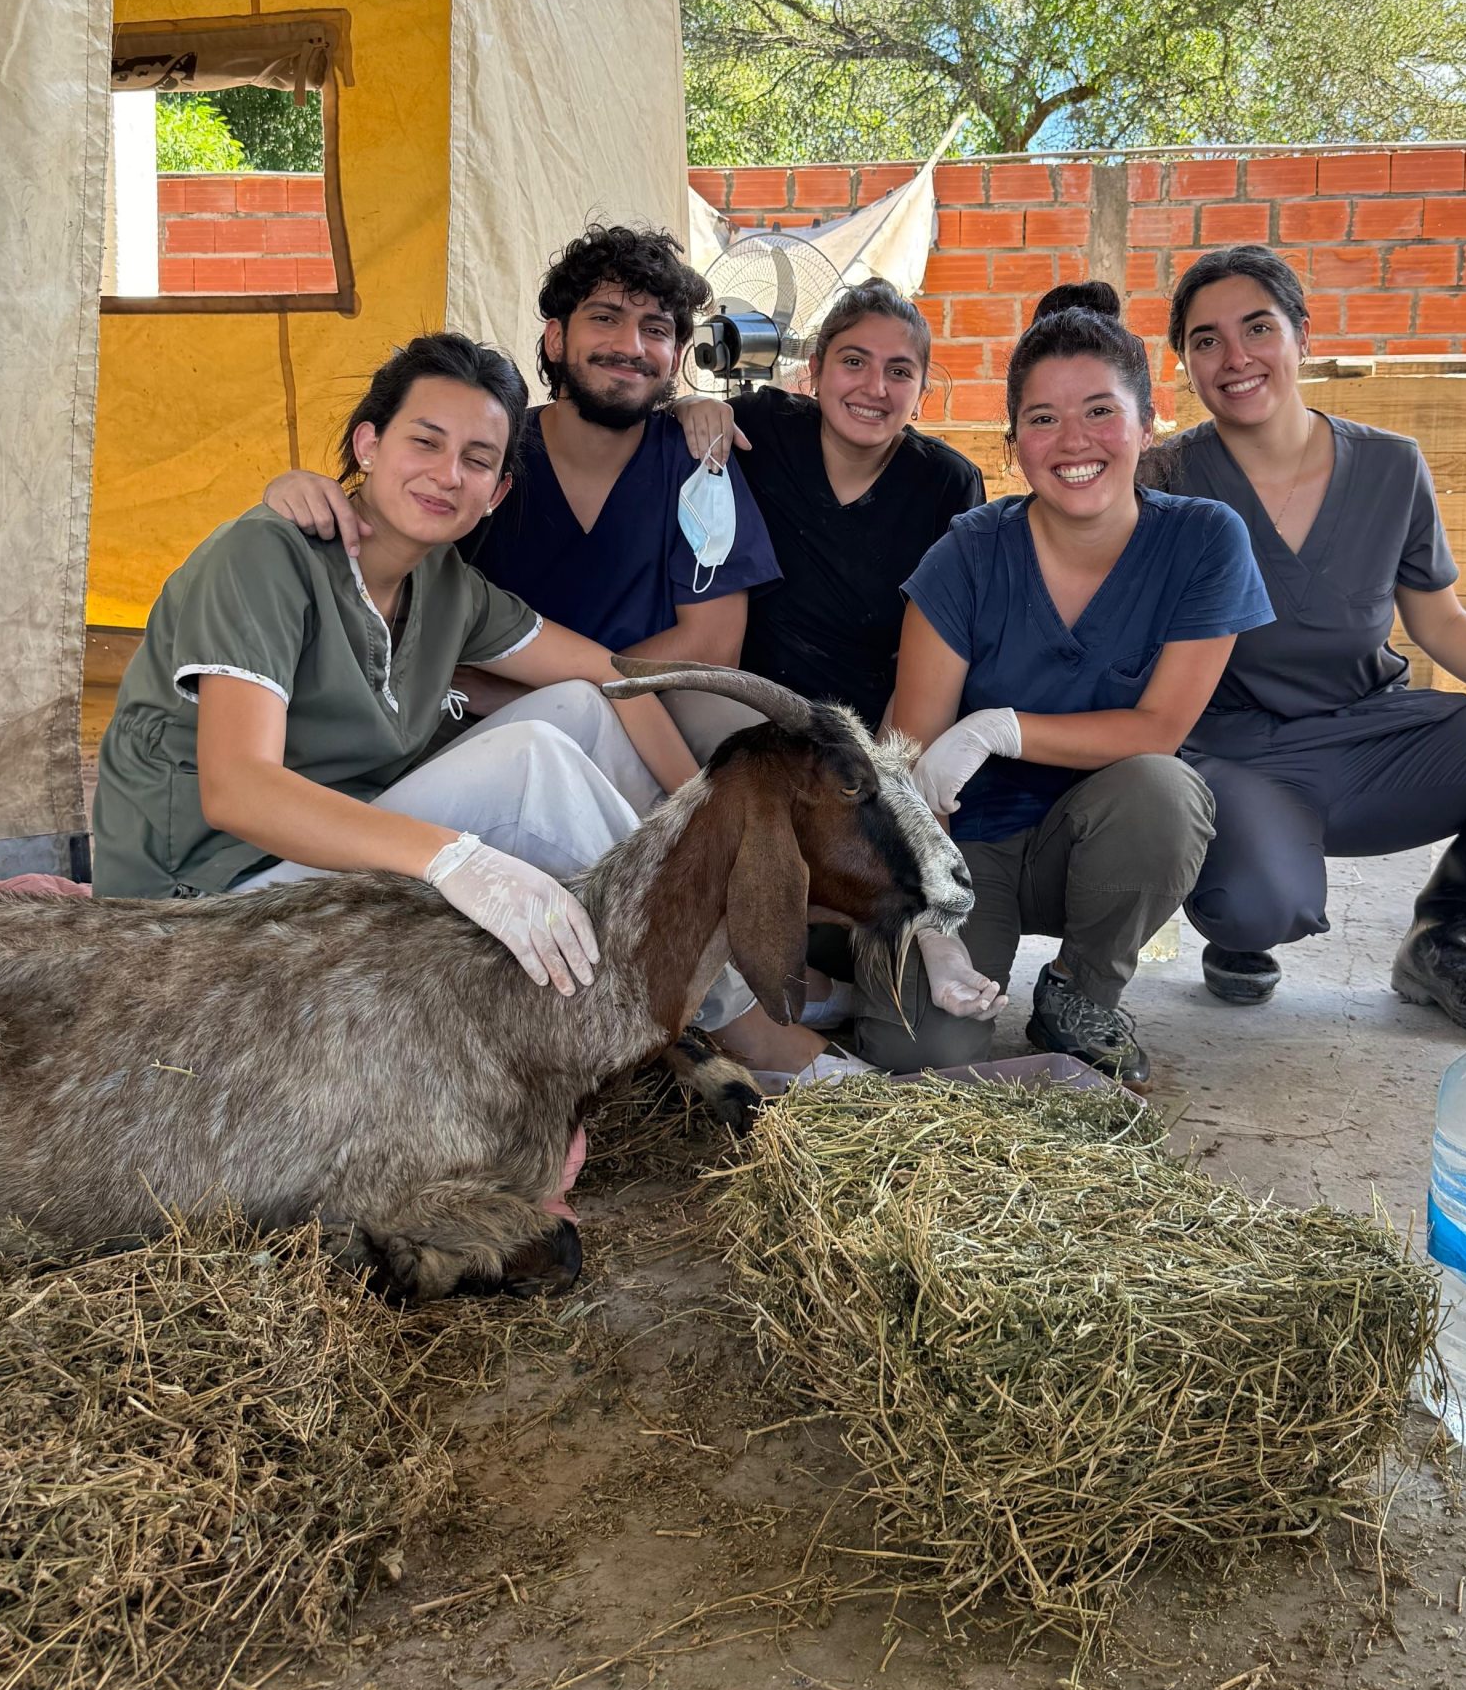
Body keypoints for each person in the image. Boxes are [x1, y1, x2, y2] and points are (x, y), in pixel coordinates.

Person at [91, 334, 699, 1002]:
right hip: (199, 906)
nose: (447, 475)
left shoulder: (448, 588)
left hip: (335, 860)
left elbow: (611, 677)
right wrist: (454, 859)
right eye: (426, 442)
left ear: (495, 493)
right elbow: (238, 790)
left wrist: (704, 811)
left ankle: (699, 943)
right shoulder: (264, 557)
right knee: (530, 762)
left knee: (579, 706)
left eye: (476, 460)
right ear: (368, 445)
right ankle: (727, 1011)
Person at [1143, 245, 1466, 1034]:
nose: (1235, 358)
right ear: (1186, 363)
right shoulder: (1164, 478)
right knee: (1259, 905)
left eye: (1258, 328)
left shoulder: (1390, 466)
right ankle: (1240, 923)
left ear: (1301, 336)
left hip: (1377, 739)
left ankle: (1442, 941)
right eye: (1206, 340)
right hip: (1234, 752)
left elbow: (1440, 622)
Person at [855, 281, 1274, 1084]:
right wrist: (933, 931)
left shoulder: (1203, 541)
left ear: (1148, 425)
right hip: (964, 849)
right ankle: (909, 951)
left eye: (1100, 411)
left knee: (1164, 791)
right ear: (1012, 443)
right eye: (1042, 418)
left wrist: (994, 727)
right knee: (918, 1057)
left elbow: (1158, 729)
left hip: (1107, 839)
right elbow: (902, 761)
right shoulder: (968, 555)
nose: (1072, 440)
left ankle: (1082, 995)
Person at [266, 223, 782, 805]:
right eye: (606, 317)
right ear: (557, 339)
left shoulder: (697, 461)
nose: (632, 347)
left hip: (647, 707)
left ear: (677, 356)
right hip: (477, 720)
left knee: (739, 729)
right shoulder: (485, 457)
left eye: (655, 329)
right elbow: (390, 561)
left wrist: (545, 688)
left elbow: (712, 649)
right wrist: (298, 488)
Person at [673, 280, 986, 732]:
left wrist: (883, 773)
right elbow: (675, 431)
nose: (874, 388)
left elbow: (941, 653)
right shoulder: (761, 429)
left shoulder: (947, 484)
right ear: (817, 370)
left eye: (899, 372)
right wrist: (691, 404)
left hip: (866, 734)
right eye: (854, 362)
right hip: (740, 719)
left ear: (922, 392)